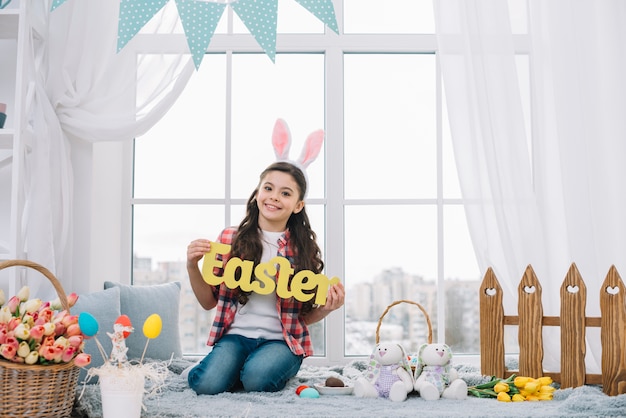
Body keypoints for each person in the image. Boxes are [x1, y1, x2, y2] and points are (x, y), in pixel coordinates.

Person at [185, 122, 345, 395]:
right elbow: (208, 302)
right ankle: (234, 367)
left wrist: (329, 307)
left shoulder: (302, 250)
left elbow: (305, 315)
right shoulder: (229, 239)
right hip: (235, 336)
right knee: (206, 383)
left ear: (298, 205)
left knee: (257, 380)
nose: (274, 197)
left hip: (281, 342)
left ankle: (253, 369)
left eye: (285, 193)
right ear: (258, 193)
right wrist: (192, 265)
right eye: (268, 188)